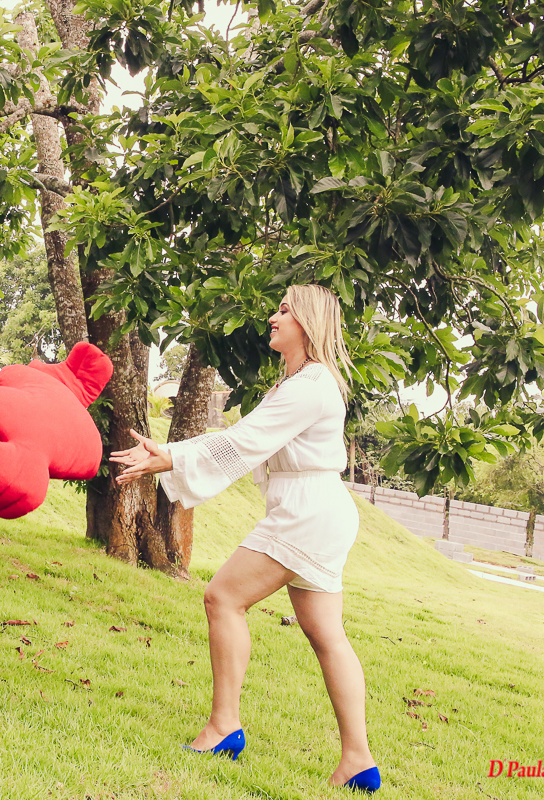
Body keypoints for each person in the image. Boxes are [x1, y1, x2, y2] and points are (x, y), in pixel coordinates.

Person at [111, 285, 381, 793]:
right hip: (317, 509)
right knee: (326, 634)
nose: (273, 317)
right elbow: (253, 443)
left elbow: (244, 442)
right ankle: (357, 760)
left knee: (223, 597)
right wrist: (173, 455)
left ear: (308, 322)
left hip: (307, 512)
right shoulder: (302, 382)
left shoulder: (313, 384)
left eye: (284, 310)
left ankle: (223, 727)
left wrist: (169, 455)